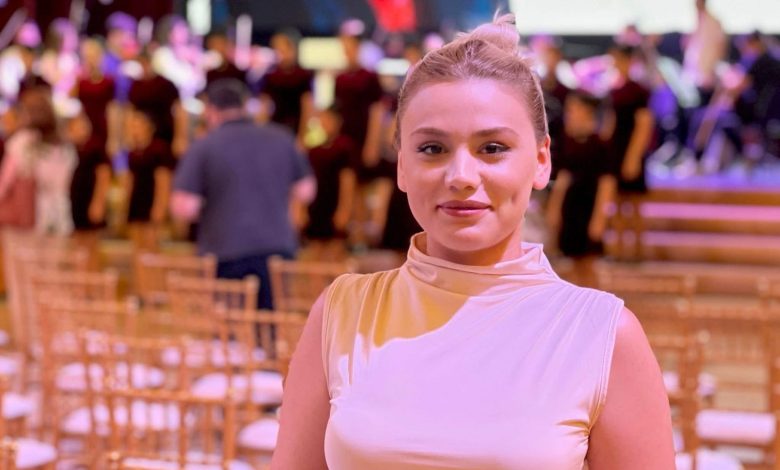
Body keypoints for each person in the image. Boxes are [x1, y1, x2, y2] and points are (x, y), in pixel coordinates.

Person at [272, 14, 674, 469]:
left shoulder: (603, 335)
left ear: (541, 160)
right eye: (432, 149)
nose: (461, 176)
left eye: (492, 148)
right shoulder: (342, 312)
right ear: (401, 164)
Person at [171, 78, 316, 310]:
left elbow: (185, 207)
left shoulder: (204, 146)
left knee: (231, 324)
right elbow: (306, 191)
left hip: (225, 251)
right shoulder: (281, 138)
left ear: (210, 110)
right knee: (269, 321)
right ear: (245, 105)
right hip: (278, 248)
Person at [546, 91, 616, 287]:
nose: (569, 115)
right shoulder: (568, 143)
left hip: (589, 208)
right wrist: (554, 209)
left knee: (588, 263)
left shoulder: (601, 145)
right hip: (571, 209)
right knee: (572, 262)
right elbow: (562, 181)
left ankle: (596, 302)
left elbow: (607, 184)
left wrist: (599, 218)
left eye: (573, 110)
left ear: (587, 112)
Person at [0, 87, 76, 235]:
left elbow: (5, 182)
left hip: (27, 218)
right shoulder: (65, 147)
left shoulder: (22, 142)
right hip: (59, 214)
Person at [303, 105, 357, 260]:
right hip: (316, 207)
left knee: (334, 254)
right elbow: (308, 181)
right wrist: (302, 208)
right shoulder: (314, 150)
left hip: (334, 204)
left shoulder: (345, 147)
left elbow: (348, 180)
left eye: (328, 119)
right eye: (322, 119)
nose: (324, 122)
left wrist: (344, 209)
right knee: (314, 254)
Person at [122, 108, 175, 250]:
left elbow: (163, 181)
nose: (134, 130)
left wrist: (160, 207)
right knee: (136, 244)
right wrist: (126, 204)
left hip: (151, 200)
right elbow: (130, 179)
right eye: (132, 126)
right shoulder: (132, 153)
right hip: (136, 201)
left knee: (151, 244)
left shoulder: (159, 150)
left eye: (138, 126)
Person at [259, 29, 314, 142]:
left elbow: (307, 106)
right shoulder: (270, 76)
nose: (281, 52)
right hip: (274, 127)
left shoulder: (303, 75)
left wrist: (302, 135)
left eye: (283, 48)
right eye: (277, 48)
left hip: (294, 127)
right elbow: (264, 105)